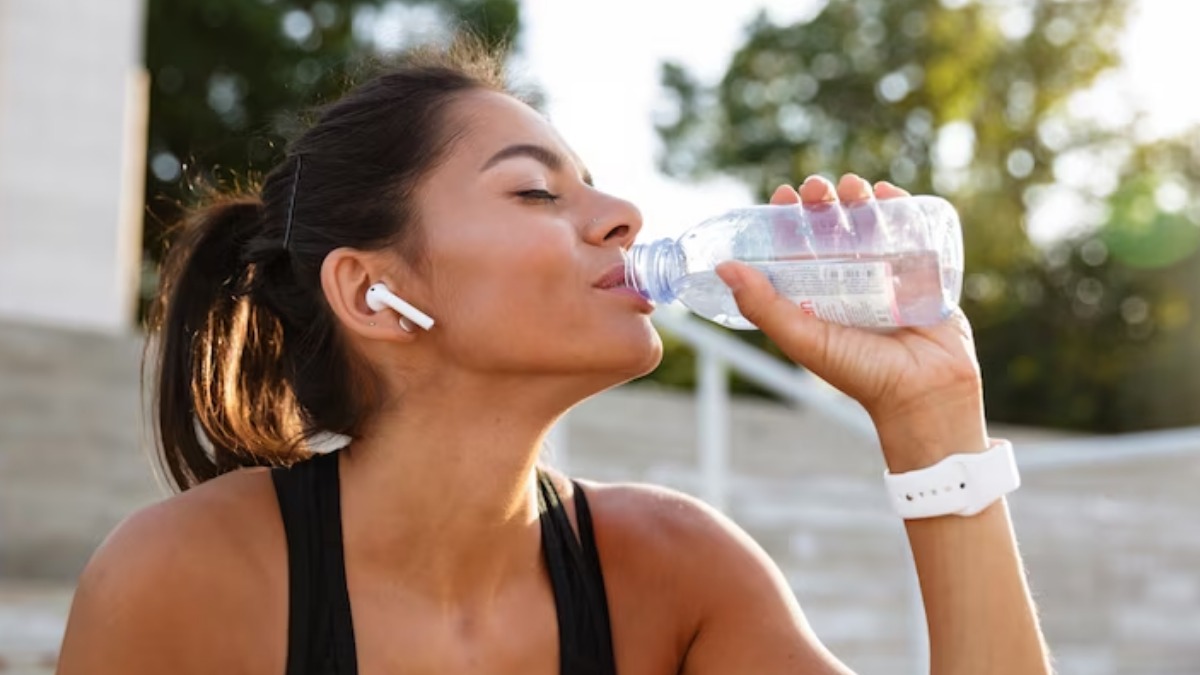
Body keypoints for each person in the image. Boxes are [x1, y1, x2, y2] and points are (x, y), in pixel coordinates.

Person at [56, 38, 1050, 675]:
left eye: (598, 186)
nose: (623, 217)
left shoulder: (674, 576)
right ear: (374, 293)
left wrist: (935, 419)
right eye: (537, 192)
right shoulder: (192, 578)